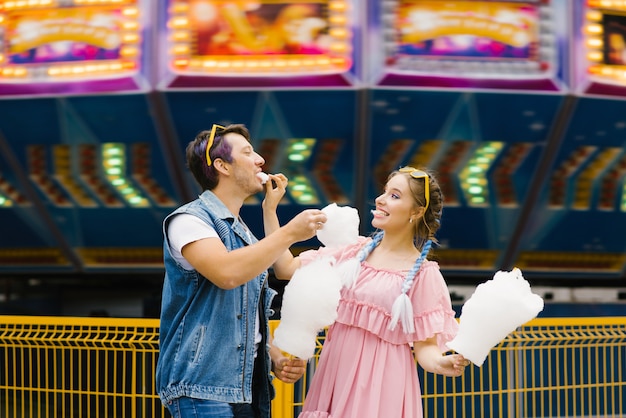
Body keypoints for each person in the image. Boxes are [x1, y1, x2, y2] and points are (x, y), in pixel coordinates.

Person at [263, 166, 469, 418]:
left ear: (416, 211)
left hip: (383, 388)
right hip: (334, 376)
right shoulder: (352, 252)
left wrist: (440, 363)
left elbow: (425, 347)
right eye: (384, 192)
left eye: (395, 196)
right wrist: (269, 210)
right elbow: (285, 268)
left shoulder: (424, 275)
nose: (381, 200)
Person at [155, 123, 327, 418]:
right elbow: (227, 274)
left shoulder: (243, 232)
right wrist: (289, 233)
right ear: (221, 165)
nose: (260, 159)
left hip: (248, 388)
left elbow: (241, 311)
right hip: (201, 387)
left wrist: (272, 355)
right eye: (248, 152)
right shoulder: (188, 220)